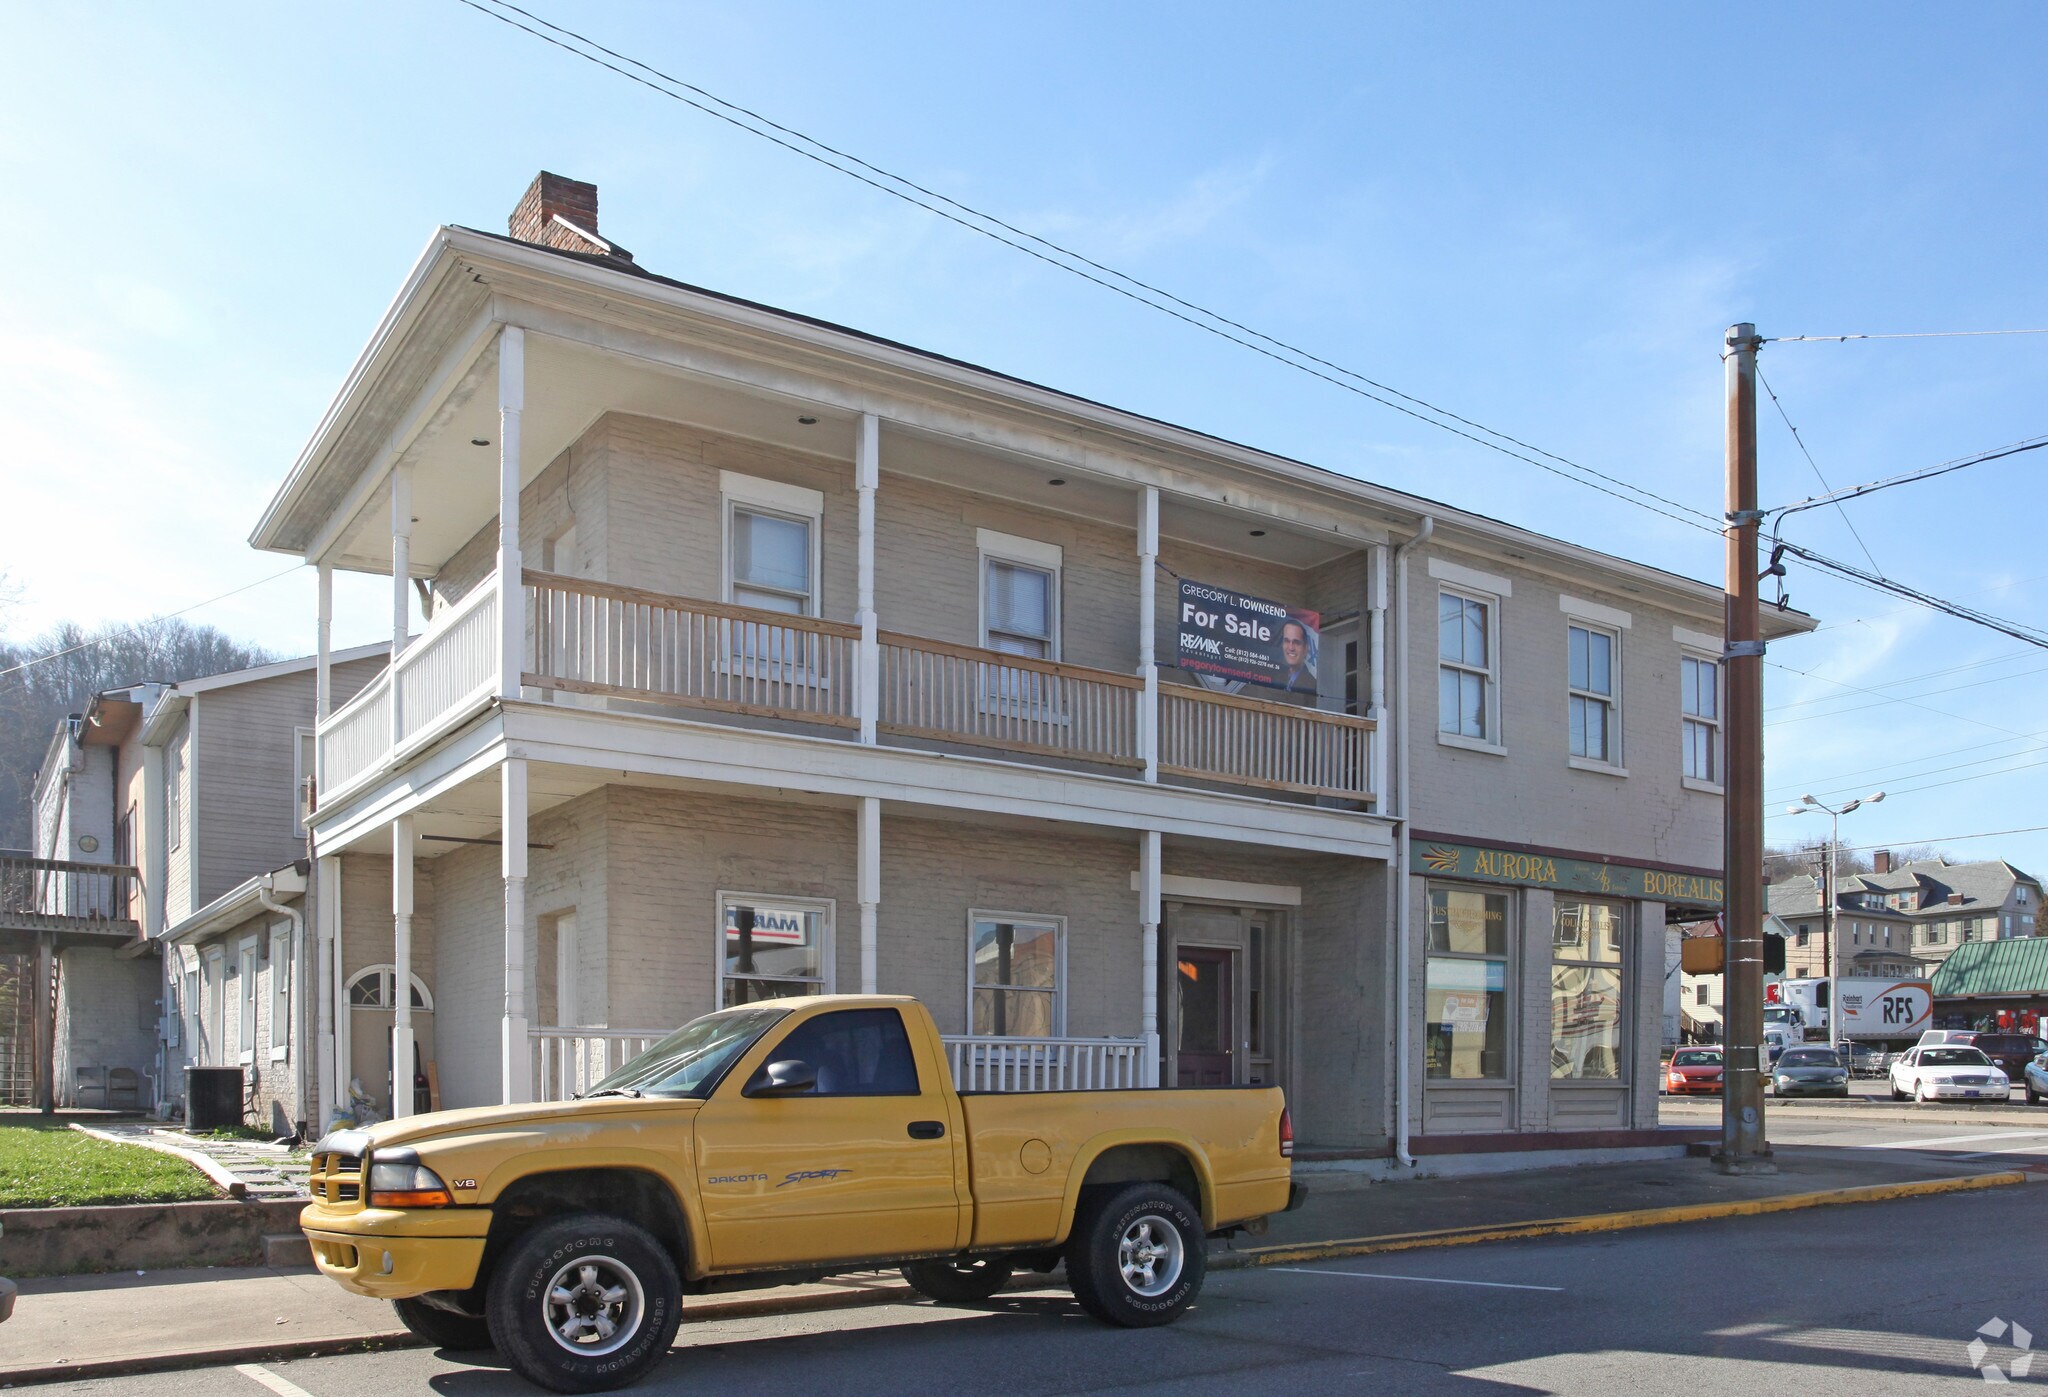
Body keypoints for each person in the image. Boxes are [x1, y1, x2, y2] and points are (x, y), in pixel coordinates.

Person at [1279, 619, 1317, 694]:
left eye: (1296, 642)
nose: (1291, 648)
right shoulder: (1275, 676)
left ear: (1305, 648)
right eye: (1287, 641)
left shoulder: (1312, 685)